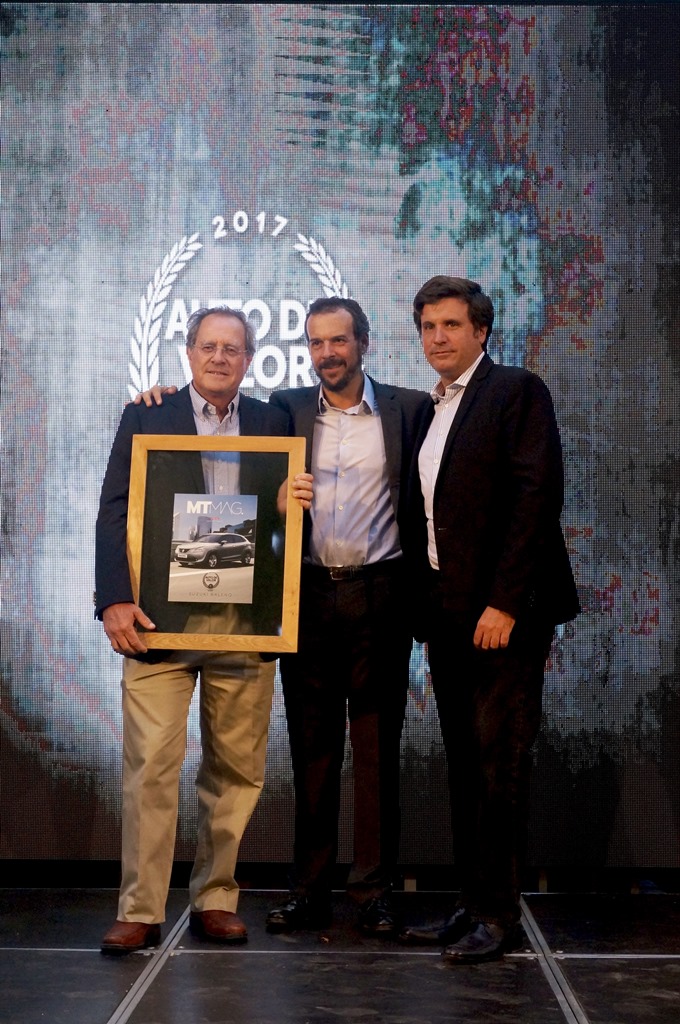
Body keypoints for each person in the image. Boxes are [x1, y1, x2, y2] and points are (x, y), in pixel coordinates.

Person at [95, 305, 311, 954]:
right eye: (209, 346)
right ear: (188, 352)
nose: (220, 358)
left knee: (236, 772)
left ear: (250, 360)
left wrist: (289, 507)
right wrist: (114, 600)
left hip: (246, 625)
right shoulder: (147, 414)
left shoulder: (275, 422)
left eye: (232, 349)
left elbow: (278, 525)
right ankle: (140, 908)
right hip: (159, 623)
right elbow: (115, 512)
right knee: (150, 769)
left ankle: (216, 899)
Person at [399, 276, 580, 963]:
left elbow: (536, 497)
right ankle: (471, 904)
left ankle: (499, 916)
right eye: (428, 326)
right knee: (466, 767)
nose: (437, 337)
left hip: (504, 616)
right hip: (448, 615)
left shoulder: (515, 390)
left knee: (498, 765)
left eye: (450, 324)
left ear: (481, 331)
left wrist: (504, 601)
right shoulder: (431, 408)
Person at [265, 297, 431, 935]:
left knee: (376, 748)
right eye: (316, 342)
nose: (327, 353)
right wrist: (163, 396)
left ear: (363, 342)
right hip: (307, 596)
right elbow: (229, 447)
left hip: (382, 594)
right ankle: (309, 890)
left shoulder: (409, 409)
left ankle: (372, 892)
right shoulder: (284, 410)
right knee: (312, 748)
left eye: (339, 340)